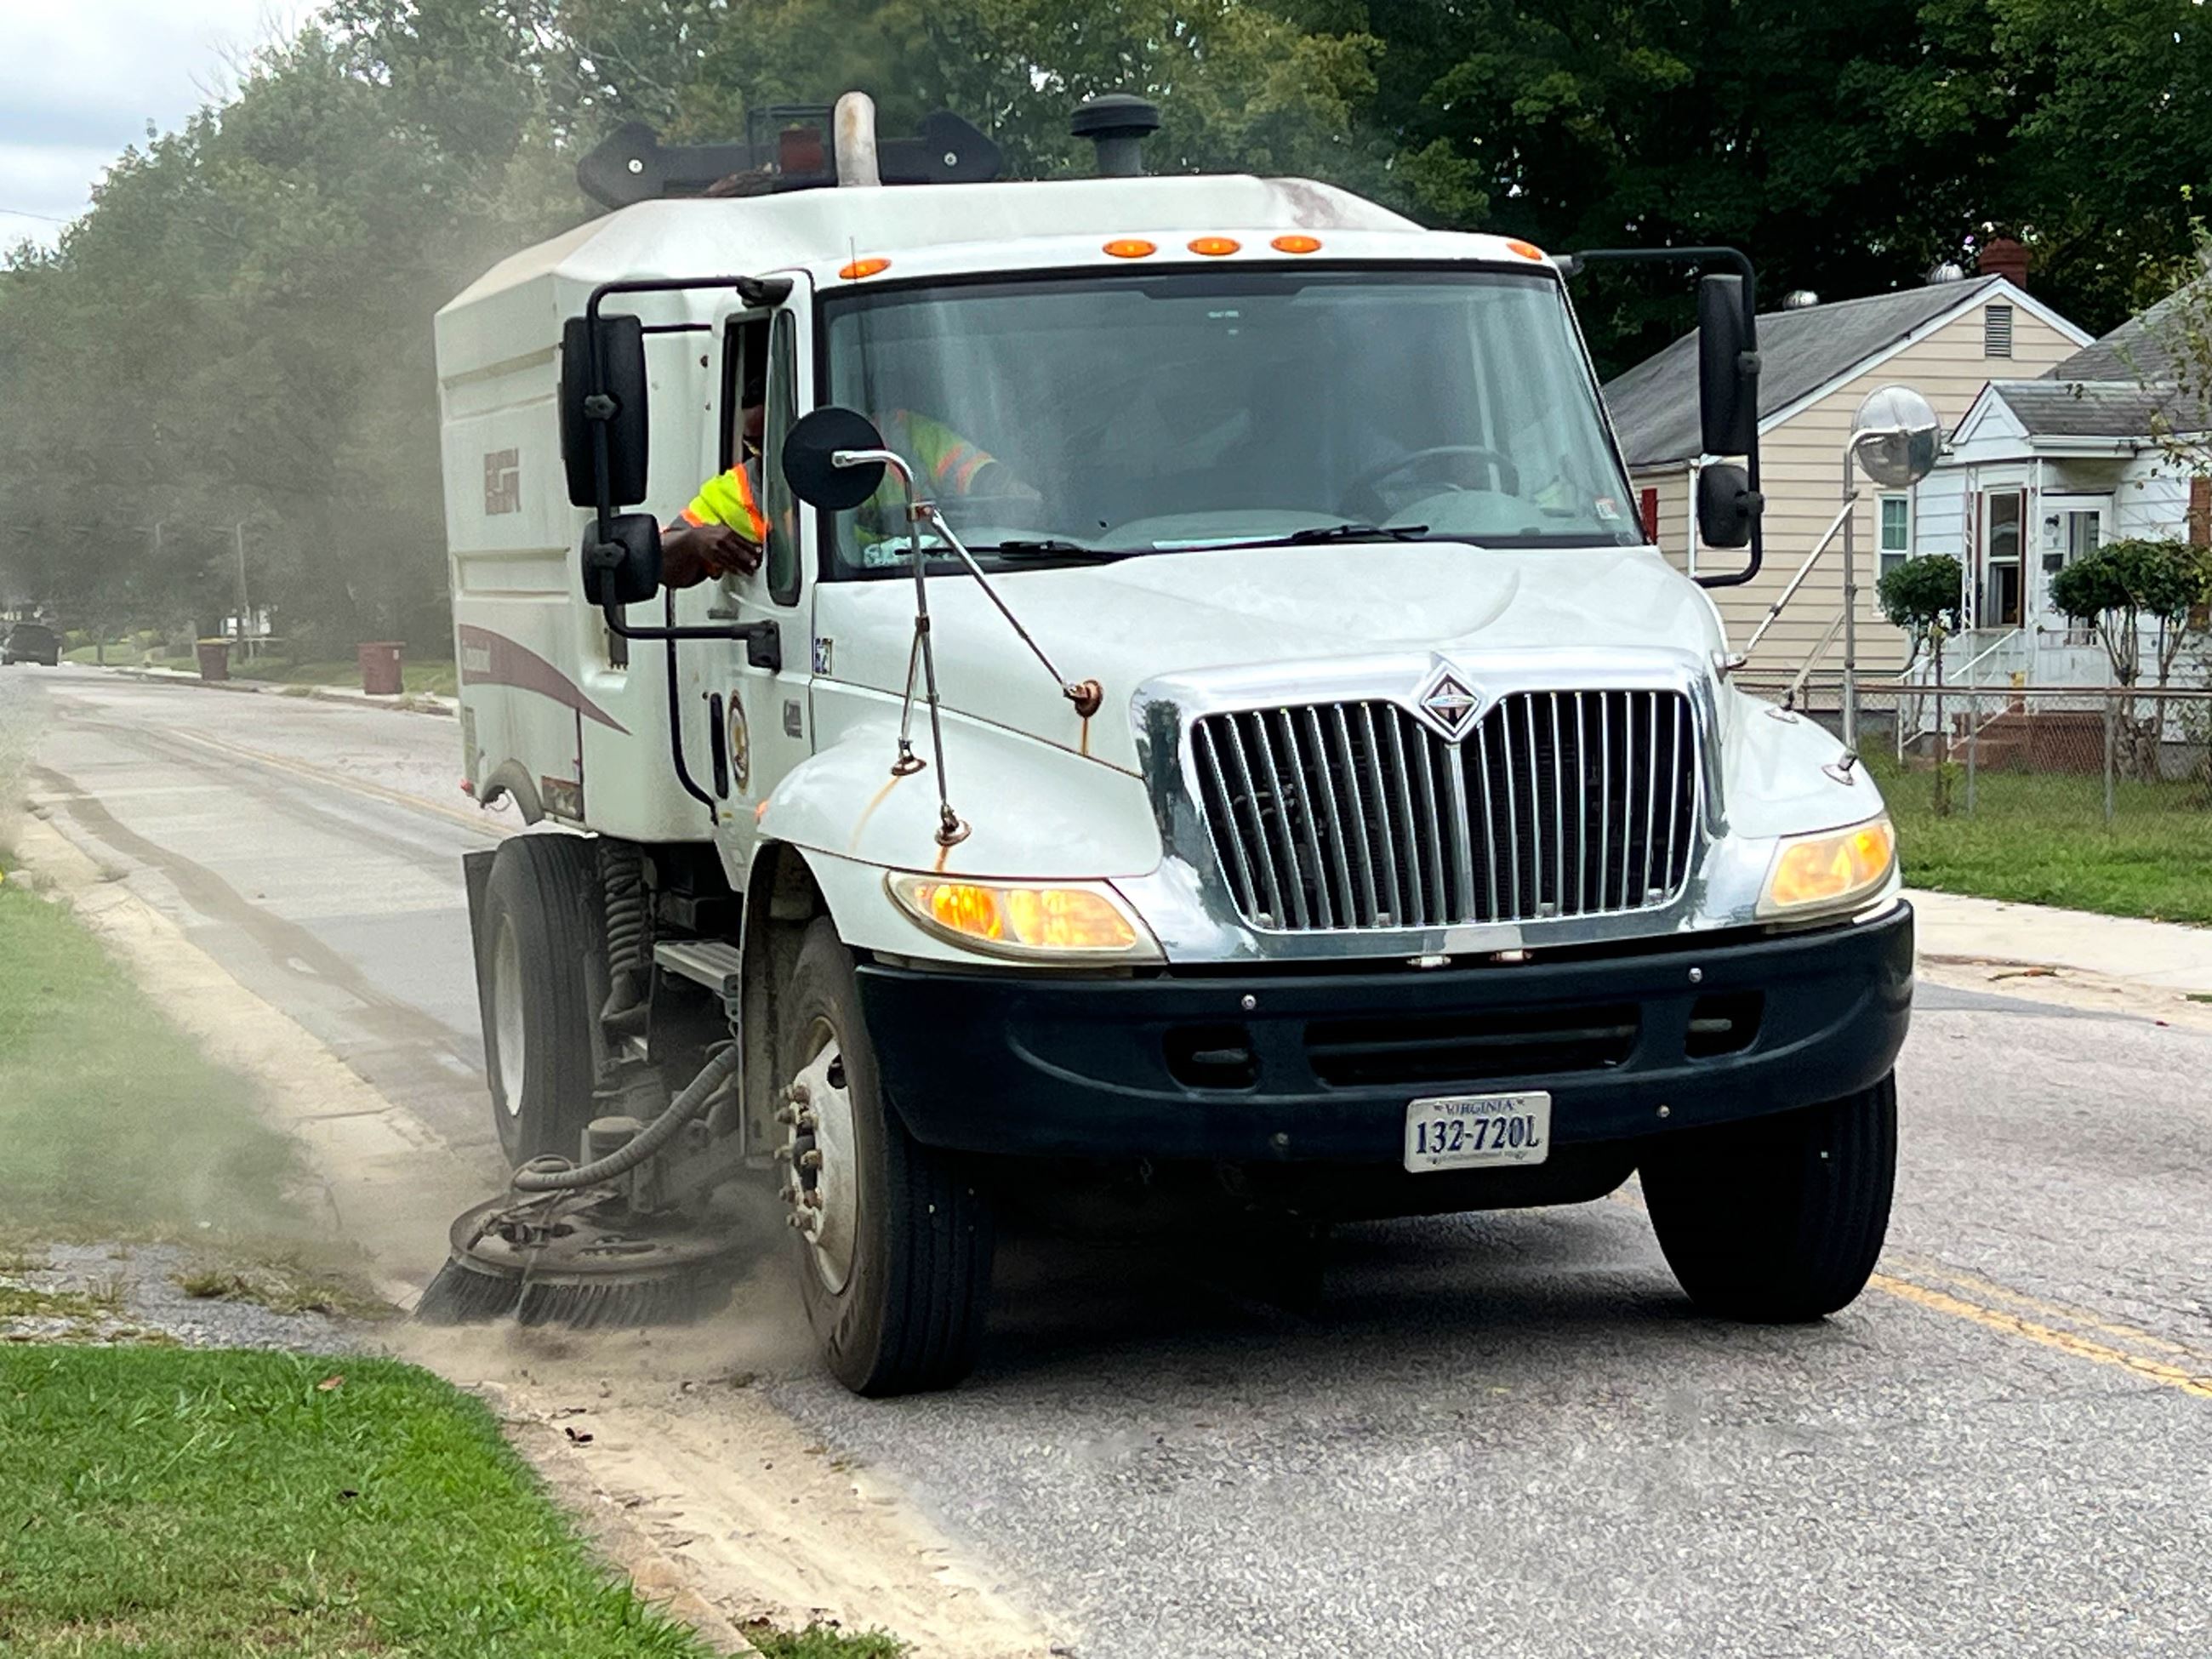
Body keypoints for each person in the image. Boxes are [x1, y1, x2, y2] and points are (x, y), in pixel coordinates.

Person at [661, 398, 1031, 589]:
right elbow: (659, 561)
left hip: (945, 578)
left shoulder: (897, 433)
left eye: (780, 435)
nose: (769, 453)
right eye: (755, 443)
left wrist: (1009, 489)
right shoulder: (743, 488)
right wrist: (695, 541)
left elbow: (977, 472)